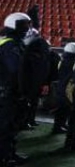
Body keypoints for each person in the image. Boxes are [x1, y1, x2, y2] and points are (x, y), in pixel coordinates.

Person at [0, 13, 31, 167]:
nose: (26, 29)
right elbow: (15, 70)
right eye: (23, 25)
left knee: (9, 125)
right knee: (6, 126)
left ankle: (9, 153)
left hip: (7, 91)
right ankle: (5, 157)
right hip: (7, 93)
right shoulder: (10, 45)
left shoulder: (7, 42)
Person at [52, 42, 75, 134]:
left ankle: (60, 125)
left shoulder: (61, 60)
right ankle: (58, 126)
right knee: (65, 108)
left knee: (61, 108)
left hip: (60, 86)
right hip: (68, 88)